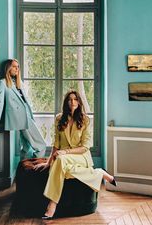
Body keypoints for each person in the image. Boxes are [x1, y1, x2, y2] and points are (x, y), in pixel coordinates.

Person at [34, 90, 117, 219]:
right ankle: (99, 173)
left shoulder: (85, 120)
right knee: (62, 166)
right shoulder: (59, 118)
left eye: (75, 99)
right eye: (69, 99)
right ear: (66, 102)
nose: (72, 102)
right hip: (63, 158)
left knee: (61, 160)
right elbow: (56, 143)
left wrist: (65, 152)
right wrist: (48, 162)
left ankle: (52, 203)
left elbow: (85, 147)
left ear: (79, 102)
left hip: (81, 157)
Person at [0, 59, 46, 159]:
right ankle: (35, 169)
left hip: (28, 116)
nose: (17, 69)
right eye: (14, 66)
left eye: (18, 66)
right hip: (20, 118)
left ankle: (23, 171)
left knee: (26, 148)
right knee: (41, 146)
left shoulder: (19, 82)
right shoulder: (3, 83)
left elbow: (25, 101)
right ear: (8, 68)